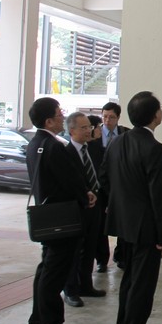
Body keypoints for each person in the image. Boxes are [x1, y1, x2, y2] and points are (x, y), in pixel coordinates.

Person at [99, 91, 162, 324]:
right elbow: (159, 195)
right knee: (142, 285)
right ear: (156, 115)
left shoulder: (117, 143)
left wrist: (121, 205)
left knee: (129, 281)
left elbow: (104, 178)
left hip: (123, 224)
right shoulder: (154, 148)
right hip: (146, 228)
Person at [25, 97, 95, 324]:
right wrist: (84, 194)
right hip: (62, 220)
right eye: (58, 113)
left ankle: (36, 321)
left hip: (47, 218)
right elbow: (70, 180)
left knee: (45, 270)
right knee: (53, 276)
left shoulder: (36, 144)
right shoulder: (53, 146)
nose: (61, 115)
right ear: (48, 120)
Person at [62, 112, 106, 308]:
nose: (89, 130)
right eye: (84, 128)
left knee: (90, 247)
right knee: (74, 251)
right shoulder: (66, 153)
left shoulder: (93, 149)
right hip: (77, 208)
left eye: (89, 126)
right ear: (71, 131)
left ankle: (86, 285)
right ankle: (71, 290)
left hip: (95, 207)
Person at [94, 101, 129, 271]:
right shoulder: (94, 134)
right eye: (105, 116)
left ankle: (121, 255)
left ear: (118, 118)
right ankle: (101, 259)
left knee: (122, 222)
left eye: (112, 117)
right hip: (100, 187)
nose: (107, 120)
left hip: (120, 187)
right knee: (101, 225)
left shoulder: (125, 134)